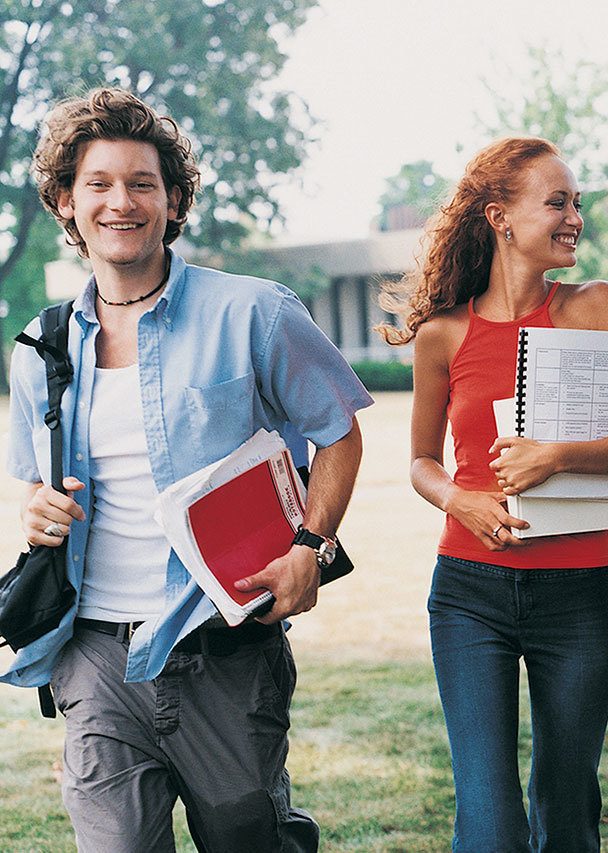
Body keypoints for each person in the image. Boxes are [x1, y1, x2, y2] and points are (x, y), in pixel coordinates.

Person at [4, 88, 372, 851]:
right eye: (98, 184)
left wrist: (311, 546)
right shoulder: (40, 350)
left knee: (250, 839)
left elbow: (338, 434)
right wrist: (35, 510)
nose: (121, 202)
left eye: (143, 183)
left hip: (224, 650)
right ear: (66, 203)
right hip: (96, 657)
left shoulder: (255, 312)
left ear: (174, 201)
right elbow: (36, 487)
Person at [378, 136, 608, 853]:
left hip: (577, 593)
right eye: (558, 202)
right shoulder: (444, 335)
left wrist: (558, 457)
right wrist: (460, 498)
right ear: (500, 217)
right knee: (489, 818)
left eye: (577, 203)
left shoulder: (598, 306)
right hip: (469, 592)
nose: (574, 216)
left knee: (566, 806)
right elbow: (420, 459)